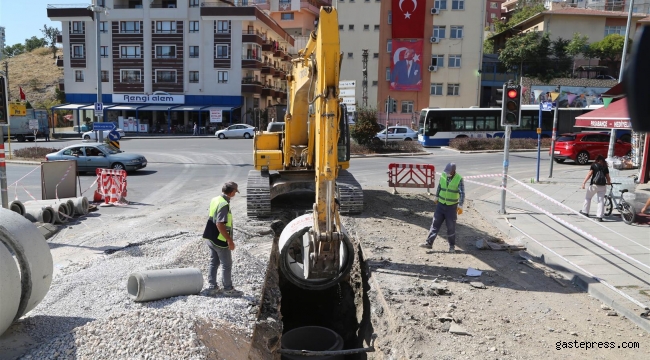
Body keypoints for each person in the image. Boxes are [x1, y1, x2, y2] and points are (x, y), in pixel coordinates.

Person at [204, 181, 243, 297]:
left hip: (211, 236)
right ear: (231, 192)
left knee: (214, 262)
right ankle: (228, 289)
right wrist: (229, 240)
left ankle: (212, 287)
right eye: (235, 192)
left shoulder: (215, 199)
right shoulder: (224, 205)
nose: (235, 194)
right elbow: (220, 224)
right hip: (220, 240)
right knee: (226, 264)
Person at [420, 163, 465, 253]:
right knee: (435, 224)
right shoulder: (443, 175)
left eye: (449, 172)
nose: (447, 173)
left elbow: (462, 193)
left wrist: (460, 204)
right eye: (446, 171)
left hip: (451, 207)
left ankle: (451, 247)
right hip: (441, 205)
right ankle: (429, 243)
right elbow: (439, 187)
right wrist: (437, 196)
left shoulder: (459, 179)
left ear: (453, 171)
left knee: (451, 227)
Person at [580, 155, 611, 222]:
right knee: (600, 201)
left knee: (588, 198)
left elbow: (589, 174)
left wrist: (584, 183)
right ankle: (599, 217)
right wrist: (608, 182)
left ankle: (585, 212)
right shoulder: (605, 166)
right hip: (602, 186)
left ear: (597, 160)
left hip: (594, 185)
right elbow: (607, 176)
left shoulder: (594, 165)